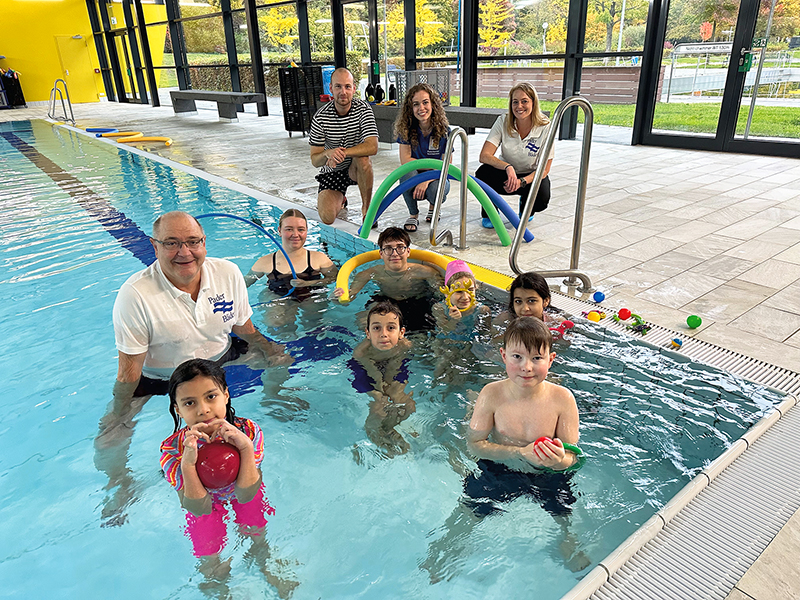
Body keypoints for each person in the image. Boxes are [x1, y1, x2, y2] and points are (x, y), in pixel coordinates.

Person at [96, 211, 289, 525]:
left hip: (221, 359)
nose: (184, 252)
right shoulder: (136, 296)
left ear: (204, 244)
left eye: (192, 242)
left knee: (282, 361)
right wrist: (120, 411)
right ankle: (119, 482)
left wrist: (270, 350)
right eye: (171, 243)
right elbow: (128, 371)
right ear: (154, 246)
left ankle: (277, 400)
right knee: (108, 433)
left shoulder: (226, 273)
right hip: (161, 375)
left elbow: (243, 326)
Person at [422, 318, 587, 580]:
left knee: (563, 510)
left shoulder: (563, 399)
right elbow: (474, 445)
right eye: (518, 357)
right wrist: (519, 454)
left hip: (546, 472)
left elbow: (573, 457)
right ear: (503, 355)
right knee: (470, 506)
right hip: (501, 466)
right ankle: (448, 545)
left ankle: (568, 539)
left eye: (536, 358)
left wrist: (558, 461)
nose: (527, 367)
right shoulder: (491, 394)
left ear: (551, 359)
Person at [160, 359, 297, 598]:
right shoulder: (172, 450)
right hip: (205, 503)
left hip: (244, 491)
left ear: (226, 395)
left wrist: (244, 449)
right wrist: (188, 463)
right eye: (190, 403)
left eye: (211, 396)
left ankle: (264, 563)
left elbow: (246, 494)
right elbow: (198, 507)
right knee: (209, 555)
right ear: (178, 409)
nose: (203, 410)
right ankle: (219, 590)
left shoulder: (249, 432)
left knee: (256, 532)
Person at [333, 227, 442, 332]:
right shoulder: (370, 273)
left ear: (408, 251)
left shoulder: (426, 272)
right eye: (388, 248)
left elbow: (441, 294)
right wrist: (336, 297)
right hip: (385, 301)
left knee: (421, 337)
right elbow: (349, 298)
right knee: (363, 322)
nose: (395, 254)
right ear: (381, 253)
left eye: (400, 247)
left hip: (417, 302)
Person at [476, 83, 554, 229]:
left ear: (533, 103)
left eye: (524, 101)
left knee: (542, 198)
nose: (519, 106)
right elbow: (484, 155)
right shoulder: (503, 121)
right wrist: (507, 167)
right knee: (482, 174)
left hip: (529, 176)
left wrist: (522, 182)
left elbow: (545, 169)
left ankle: (526, 204)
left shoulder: (545, 127)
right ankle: (490, 212)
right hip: (506, 174)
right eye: (515, 102)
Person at [245, 208, 338, 329]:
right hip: (278, 296)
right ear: (279, 231)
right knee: (276, 325)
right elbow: (243, 283)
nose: (296, 234)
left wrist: (308, 283)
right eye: (289, 229)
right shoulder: (265, 262)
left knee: (314, 322)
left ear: (306, 231)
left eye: (301, 229)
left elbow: (334, 278)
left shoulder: (319, 258)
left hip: (311, 296)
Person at [309, 67, 379, 226]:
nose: (343, 91)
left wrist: (342, 153)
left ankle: (366, 210)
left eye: (347, 86)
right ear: (330, 89)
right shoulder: (320, 118)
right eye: (338, 86)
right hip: (333, 169)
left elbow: (373, 146)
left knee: (363, 159)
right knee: (327, 217)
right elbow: (315, 160)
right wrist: (328, 154)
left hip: (355, 166)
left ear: (354, 88)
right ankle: (341, 197)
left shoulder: (363, 109)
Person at [349, 301, 414, 457]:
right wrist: (381, 390)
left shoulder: (404, 346)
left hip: (392, 365)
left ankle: (388, 428)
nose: (384, 334)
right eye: (377, 328)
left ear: (401, 332)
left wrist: (396, 387)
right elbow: (370, 372)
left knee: (408, 405)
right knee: (380, 405)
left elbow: (398, 366)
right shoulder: (361, 352)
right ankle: (374, 437)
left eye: (391, 328)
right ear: (368, 333)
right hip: (365, 371)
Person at [393, 82, 451, 232]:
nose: (421, 108)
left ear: (433, 104)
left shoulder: (444, 131)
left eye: (425, 102)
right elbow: (406, 160)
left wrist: (426, 179)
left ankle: (433, 207)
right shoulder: (405, 129)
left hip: (436, 177)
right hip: (415, 173)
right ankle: (413, 214)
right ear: (410, 108)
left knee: (437, 188)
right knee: (405, 173)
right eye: (416, 104)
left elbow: (447, 164)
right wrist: (422, 175)